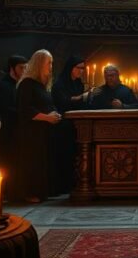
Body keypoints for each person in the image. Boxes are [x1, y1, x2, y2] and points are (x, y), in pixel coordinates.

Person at [14, 50, 62, 203]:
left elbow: (48, 103)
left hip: (43, 131)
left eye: (52, 63)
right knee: (32, 162)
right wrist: (47, 117)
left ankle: (42, 191)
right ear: (39, 64)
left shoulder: (42, 86)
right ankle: (29, 193)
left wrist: (55, 114)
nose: (51, 66)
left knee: (42, 161)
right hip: (31, 133)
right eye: (48, 63)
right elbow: (26, 110)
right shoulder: (27, 84)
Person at [51, 56, 90, 194]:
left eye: (83, 68)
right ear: (71, 68)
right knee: (64, 156)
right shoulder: (59, 84)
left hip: (77, 125)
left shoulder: (79, 83)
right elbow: (62, 102)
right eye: (78, 68)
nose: (81, 71)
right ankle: (62, 186)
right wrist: (82, 97)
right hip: (63, 125)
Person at [0, 54, 26, 200]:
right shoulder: (4, 86)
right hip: (8, 130)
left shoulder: (19, 84)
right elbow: (5, 109)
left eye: (26, 67)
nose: (24, 70)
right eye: (21, 67)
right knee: (8, 162)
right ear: (12, 69)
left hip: (18, 129)